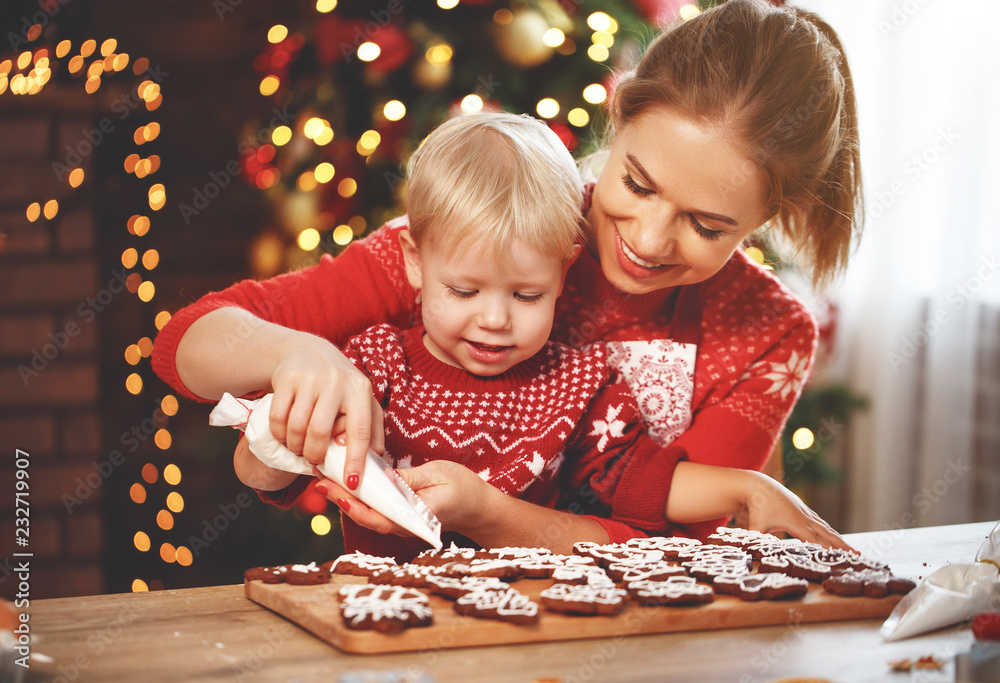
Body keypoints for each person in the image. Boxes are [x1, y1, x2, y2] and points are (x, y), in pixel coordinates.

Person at [152, 0, 861, 548]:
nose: (647, 240)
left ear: (768, 215)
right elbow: (185, 343)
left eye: (707, 226)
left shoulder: (767, 331)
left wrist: (491, 515)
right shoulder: (495, 234)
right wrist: (290, 351)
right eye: (637, 184)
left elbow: (674, 550)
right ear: (618, 115)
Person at [231, 112, 847, 560]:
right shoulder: (374, 362)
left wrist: (748, 487)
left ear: (564, 271)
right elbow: (270, 467)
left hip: (548, 614)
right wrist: (271, 443)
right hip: (395, 617)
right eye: (465, 292)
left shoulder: (580, 383)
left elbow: (641, 480)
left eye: (526, 296)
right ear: (416, 264)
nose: (495, 319)